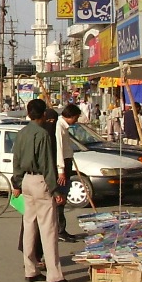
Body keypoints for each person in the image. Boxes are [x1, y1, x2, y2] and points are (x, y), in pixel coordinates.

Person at [12, 99, 78, 282]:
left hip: (26, 181)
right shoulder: (42, 135)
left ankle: (30, 269)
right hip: (41, 182)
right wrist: (55, 189)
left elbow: (16, 160)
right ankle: (54, 275)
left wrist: (16, 183)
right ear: (43, 115)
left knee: (29, 226)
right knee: (48, 230)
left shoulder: (22, 133)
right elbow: (48, 165)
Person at [54, 104, 82, 243]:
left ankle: (61, 229)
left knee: (63, 199)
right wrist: (61, 171)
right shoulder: (59, 127)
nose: (76, 121)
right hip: (62, 166)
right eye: (75, 118)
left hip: (67, 162)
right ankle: (59, 230)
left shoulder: (64, 127)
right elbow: (58, 150)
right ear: (70, 116)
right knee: (60, 199)